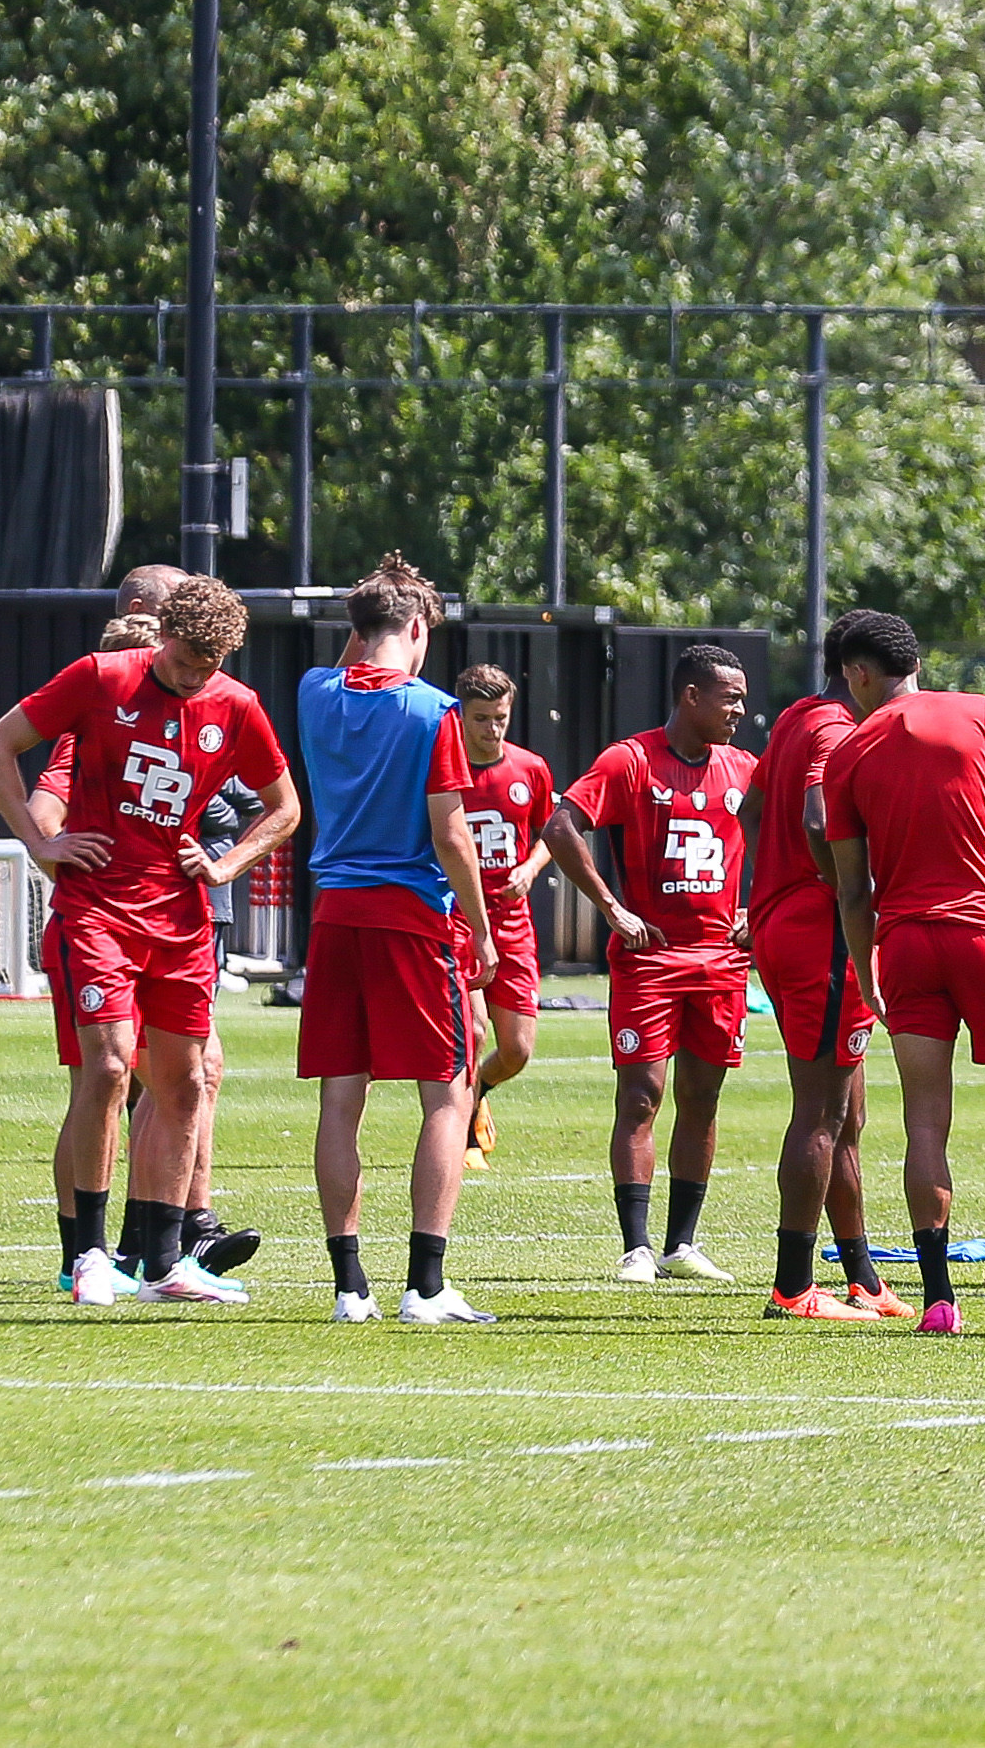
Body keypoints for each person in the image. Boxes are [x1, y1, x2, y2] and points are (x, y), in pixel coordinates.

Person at [0, 574, 298, 1305]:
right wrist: (38, 843)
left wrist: (224, 864)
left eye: (209, 665)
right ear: (164, 635)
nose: (193, 677)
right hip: (98, 910)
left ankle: (165, 1261)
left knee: (185, 1081)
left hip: (180, 918)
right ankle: (89, 1253)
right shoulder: (100, 676)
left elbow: (285, 808)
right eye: (185, 660)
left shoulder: (236, 705)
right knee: (111, 1068)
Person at [820, 610, 985, 1335]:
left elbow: (852, 887)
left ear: (859, 673)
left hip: (903, 942)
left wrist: (868, 970)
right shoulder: (980, 712)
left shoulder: (847, 753)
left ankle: (936, 1299)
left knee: (925, 1114)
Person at [291, 556, 498, 1323]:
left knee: (340, 1098)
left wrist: (383, 597)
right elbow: (450, 833)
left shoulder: (315, 693)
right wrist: (482, 928)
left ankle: (350, 1287)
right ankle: (428, 1285)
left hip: (334, 915)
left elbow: (356, 660)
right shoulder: (434, 710)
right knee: (446, 1095)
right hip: (411, 917)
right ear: (417, 630)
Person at [549, 646, 760, 1284]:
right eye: (730, 698)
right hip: (650, 961)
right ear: (690, 696)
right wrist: (611, 907)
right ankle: (636, 1246)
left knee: (703, 1098)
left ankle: (682, 1244)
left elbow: (794, 832)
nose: (740, 711)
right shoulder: (631, 760)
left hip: (721, 960)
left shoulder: (746, 769)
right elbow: (562, 826)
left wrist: (761, 905)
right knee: (642, 1095)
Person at [739, 620, 900, 1321]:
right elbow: (814, 816)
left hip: (785, 923)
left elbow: (749, 808)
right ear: (859, 670)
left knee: (850, 1112)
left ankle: (862, 1274)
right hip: (822, 935)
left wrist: (770, 886)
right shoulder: (835, 727)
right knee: (823, 1110)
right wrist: (845, 891)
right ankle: (793, 1285)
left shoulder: (798, 715)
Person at [450, 666, 555, 1173]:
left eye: (500, 718)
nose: (492, 729)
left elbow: (550, 834)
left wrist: (531, 868)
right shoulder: (440, 769)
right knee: (473, 1028)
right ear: (460, 714)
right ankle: (464, 1133)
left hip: (513, 922)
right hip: (455, 922)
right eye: (481, 718)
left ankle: (480, 1092)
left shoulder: (529, 769)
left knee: (516, 1050)